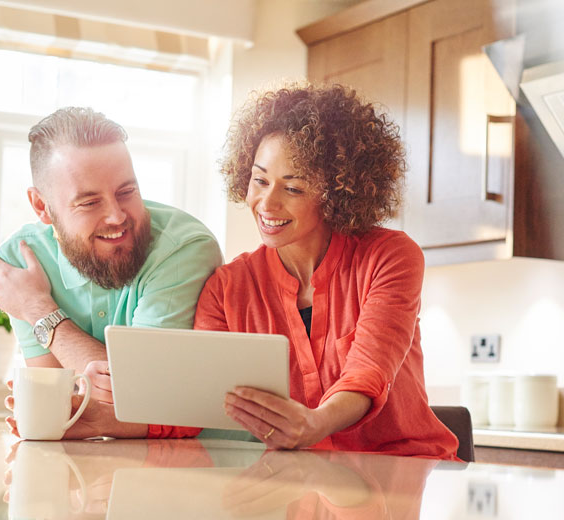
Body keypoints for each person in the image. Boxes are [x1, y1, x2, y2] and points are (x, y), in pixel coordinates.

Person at [194, 83, 460, 459]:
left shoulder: (390, 256)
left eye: (294, 188)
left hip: (403, 470)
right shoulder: (225, 289)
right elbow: (199, 398)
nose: (267, 203)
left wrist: (315, 424)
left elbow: (367, 373)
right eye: (260, 180)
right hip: (301, 481)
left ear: (338, 193)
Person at [0, 107, 222, 439]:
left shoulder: (183, 248)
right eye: (89, 202)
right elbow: (60, 406)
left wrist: (40, 310)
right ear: (42, 207)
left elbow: (141, 395)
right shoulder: (21, 260)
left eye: (127, 192)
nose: (116, 216)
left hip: (205, 463)